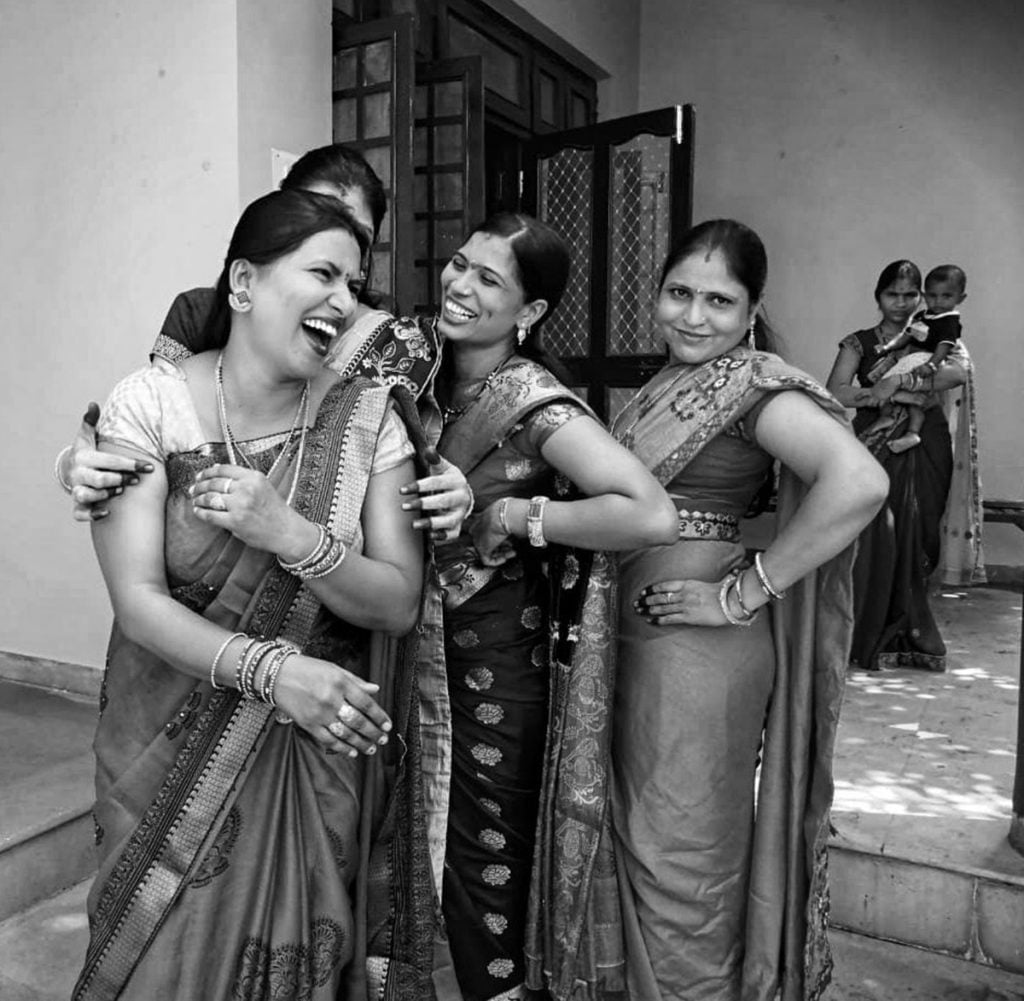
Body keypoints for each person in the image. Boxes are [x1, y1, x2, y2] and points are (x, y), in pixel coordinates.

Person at [71, 189, 436, 1000]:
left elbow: (397, 600)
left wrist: (288, 531)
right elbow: (138, 599)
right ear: (243, 283)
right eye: (323, 273)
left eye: (356, 282)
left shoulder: (366, 420)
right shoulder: (151, 402)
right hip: (158, 740)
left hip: (310, 757)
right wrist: (277, 674)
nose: (345, 300)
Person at [353, 212, 679, 1001]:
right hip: (400, 641)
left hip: (495, 669)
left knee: (481, 857)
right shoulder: (414, 367)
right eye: (460, 264)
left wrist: (513, 517)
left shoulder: (533, 405)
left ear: (529, 313)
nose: (460, 285)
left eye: (489, 279)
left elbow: (648, 512)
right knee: (390, 833)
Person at [610, 219, 889, 1000]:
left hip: (699, 651)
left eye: (718, 301)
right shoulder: (664, 381)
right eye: (678, 293)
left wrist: (742, 593)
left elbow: (861, 483)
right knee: (642, 838)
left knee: (683, 849)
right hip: (644, 638)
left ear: (752, 308)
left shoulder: (754, 383)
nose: (693, 316)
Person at [56, 143, 470, 538]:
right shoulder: (202, 313)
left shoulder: (398, 341)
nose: (333, 231)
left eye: (355, 231)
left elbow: (415, 464)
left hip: (341, 585)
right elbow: (153, 433)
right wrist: (81, 467)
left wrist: (455, 491)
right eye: (312, 212)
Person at [827, 259, 978, 671]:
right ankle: (863, 630)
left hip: (925, 444)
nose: (901, 302)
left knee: (918, 533)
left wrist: (900, 382)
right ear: (878, 297)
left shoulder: (937, 334)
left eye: (910, 294)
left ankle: (909, 633)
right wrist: (876, 394)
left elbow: (955, 375)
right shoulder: (858, 343)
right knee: (877, 534)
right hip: (876, 442)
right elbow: (836, 390)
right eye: (892, 294)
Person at [867, 264, 968, 453]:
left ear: (960, 298)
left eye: (946, 296)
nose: (900, 303)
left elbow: (948, 354)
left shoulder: (949, 322)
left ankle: (912, 430)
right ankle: (891, 417)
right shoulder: (923, 315)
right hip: (912, 359)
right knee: (897, 389)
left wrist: (931, 365)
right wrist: (889, 347)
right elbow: (908, 335)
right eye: (932, 295)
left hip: (924, 360)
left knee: (901, 389)